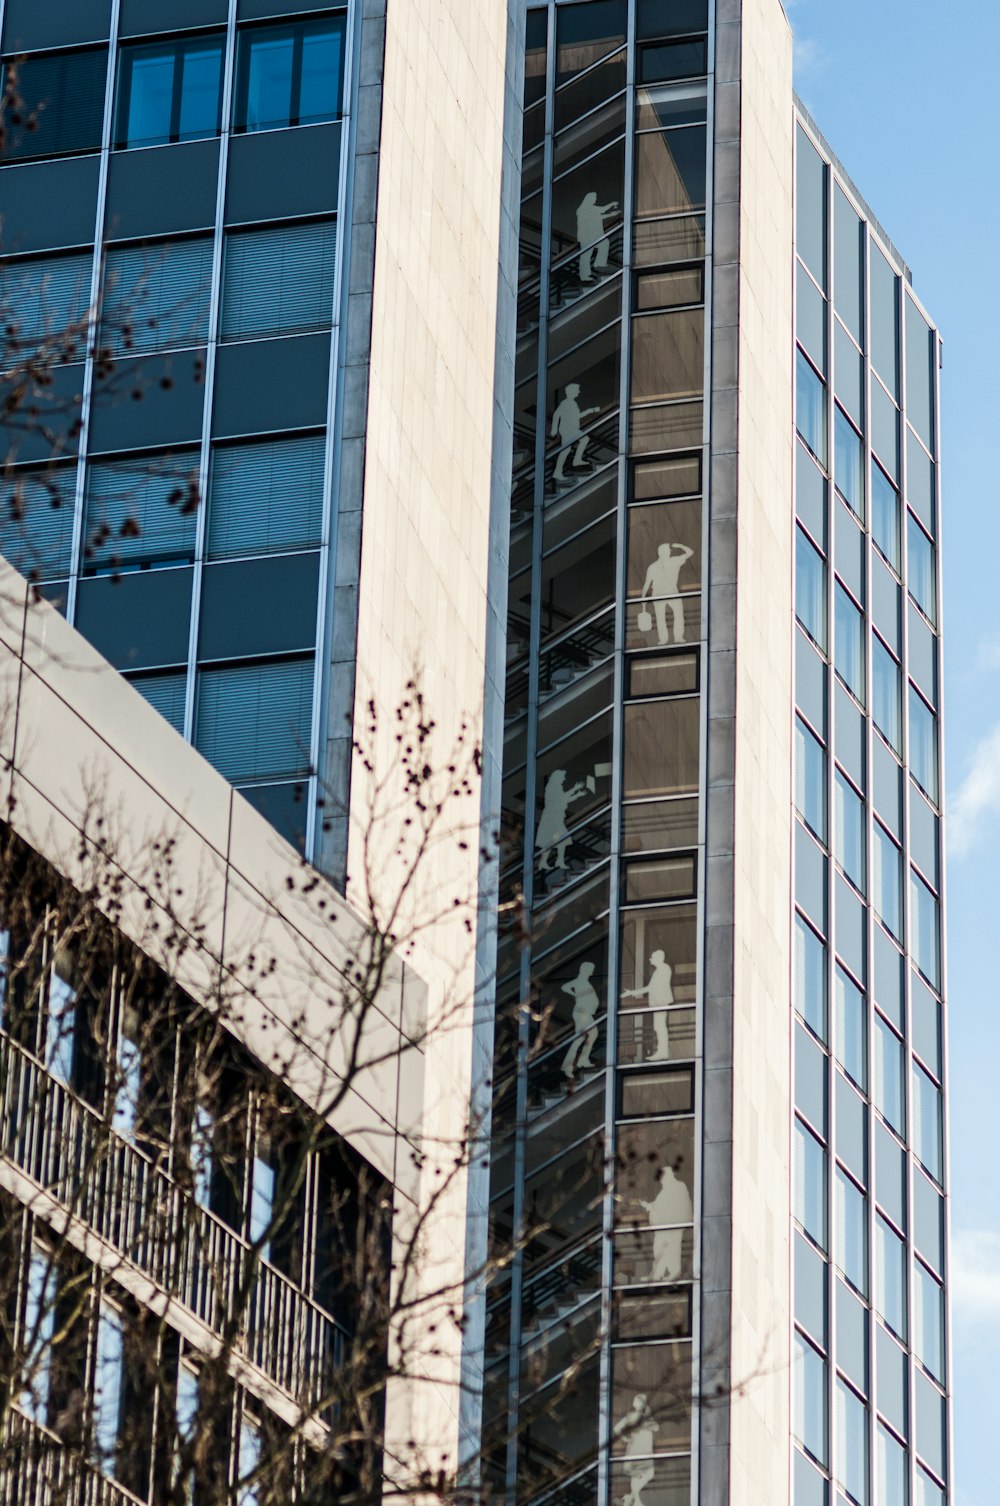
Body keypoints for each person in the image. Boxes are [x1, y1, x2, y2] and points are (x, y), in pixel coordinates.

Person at [637, 1163, 693, 1282]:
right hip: (665, 1226)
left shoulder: (678, 1186)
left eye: (663, 1178)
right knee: (660, 1249)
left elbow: (681, 1205)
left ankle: (673, 1273)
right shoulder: (666, 1190)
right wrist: (646, 1205)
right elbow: (657, 1206)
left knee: (672, 1249)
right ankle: (658, 1274)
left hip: (674, 1225)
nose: (661, 1181)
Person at [640, 540, 695, 644]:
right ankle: (664, 639)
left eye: (669, 550)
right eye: (667, 550)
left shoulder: (674, 561)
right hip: (660, 594)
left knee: (676, 615)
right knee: (663, 618)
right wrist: (643, 600)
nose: (669, 552)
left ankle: (677, 637)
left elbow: (690, 552)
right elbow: (646, 584)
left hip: (671, 592)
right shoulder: (653, 566)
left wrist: (680, 545)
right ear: (662, 552)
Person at [622, 948, 673, 1059]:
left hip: (660, 1002)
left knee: (660, 1027)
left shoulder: (663, 969)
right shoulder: (660, 970)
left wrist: (632, 993)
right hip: (658, 1003)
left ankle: (663, 1051)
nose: (650, 960)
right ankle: (662, 1050)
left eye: (652, 957)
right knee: (659, 1027)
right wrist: (632, 992)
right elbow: (651, 988)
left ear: (659, 958)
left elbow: (652, 988)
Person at [535, 768, 587, 871]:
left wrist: (576, 794)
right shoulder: (552, 787)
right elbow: (562, 799)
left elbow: (563, 799)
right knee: (555, 839)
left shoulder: (556, 787)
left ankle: (554, 861)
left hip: (555, 818)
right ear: (557, 777)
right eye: (562, 777)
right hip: (552, 818)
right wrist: (575, 790)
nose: (564, 779)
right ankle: (547, 862)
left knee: (558, 839)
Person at [612, 1391, 658, 1506]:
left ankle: (631, 1499)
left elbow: (617, 1429)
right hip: (640, 1451)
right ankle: (634, 1500)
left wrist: (624, 1439)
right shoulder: (640, 1417)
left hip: (639, 1451)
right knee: (645, 1475)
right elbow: (656, 1427)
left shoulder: (638, 1417)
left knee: (642, 1475)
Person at [550, 383, 601, 483]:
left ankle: (560, 470)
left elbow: (577, 416)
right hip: (567, 428)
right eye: (577, 390)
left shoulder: (572, 403)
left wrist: (591, 410)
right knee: (583, 440)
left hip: (570, 428)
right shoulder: (566, 403)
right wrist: (554, 429)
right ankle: (575, 461)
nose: (579, 392)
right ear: (571, 391)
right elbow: (556, 415)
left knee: (567, 449)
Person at [561, 960, 600, 1079]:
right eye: (591, 970)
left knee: (585, 1036)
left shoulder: (584, 981)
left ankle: (580, 1061)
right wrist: (575, 995)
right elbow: (564, 987)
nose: (592, 972)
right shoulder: (580, 981)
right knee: (588, 1035)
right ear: (585, 970)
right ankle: (573, 1064)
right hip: (582, 1013)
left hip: (584, 1013)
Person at [576, 191, 619, 283]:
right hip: (586, 236)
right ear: (589, 199)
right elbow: (599, 214)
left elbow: (600, 212)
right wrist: (611, 211)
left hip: (593, 236)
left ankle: (599, 263)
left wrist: (611, 207)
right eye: (594, 198)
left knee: (604, 244)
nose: (595, 199)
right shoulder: (583, 209)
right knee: (586, 256)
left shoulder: (590, 208)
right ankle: (584, 275)